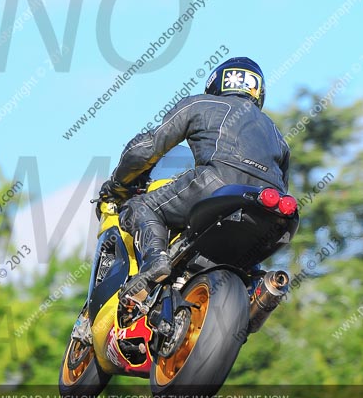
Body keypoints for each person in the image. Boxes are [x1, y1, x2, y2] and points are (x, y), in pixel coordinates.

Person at [97, 57, 290, 305]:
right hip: (272, 207)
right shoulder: (277, 134)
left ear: (215, 83)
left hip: (217, 182)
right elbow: (284, 185)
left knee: (142, 206)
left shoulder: (201, 104)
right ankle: (257, 290)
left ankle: (156, 261)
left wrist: (117, 185)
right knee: (253, 266)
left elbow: (146, 148)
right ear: (258, 91)